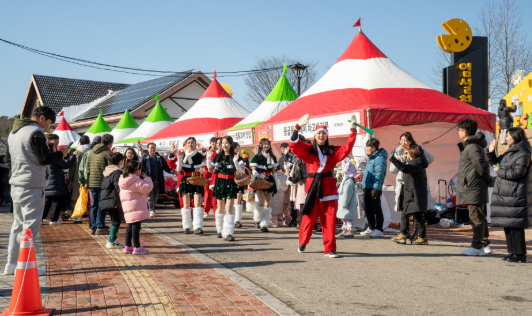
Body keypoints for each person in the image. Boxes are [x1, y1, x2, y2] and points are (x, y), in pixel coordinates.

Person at [4, 106, 68, 275]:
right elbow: (45, 159)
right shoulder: (35, 133)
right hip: (32, 185)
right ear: (41, 117)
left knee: (17, 226)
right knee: (30, 228)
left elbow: (9, 159)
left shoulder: (13, 132)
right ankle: (24, 266)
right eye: (48, 122)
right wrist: (61, 154)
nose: (48, 127)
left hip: (17, 184)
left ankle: (11, 264)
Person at [289, 114, 357, 258]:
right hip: (313, 188)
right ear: (315, 136)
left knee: (330, 220)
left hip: (329, 189)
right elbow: (294, 146)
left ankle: (330, 249)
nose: (321, 136)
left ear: (327, 136)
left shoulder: (332, 151)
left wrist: (353, 131)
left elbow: (346, 148)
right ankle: (303, 241)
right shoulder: (308, 150)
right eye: (319, 133)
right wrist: (297, 127)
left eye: (324, 134)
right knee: (308, 218)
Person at [487, 128, 531, 263]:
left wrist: (499, 171)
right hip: (506, 193)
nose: (506, 138)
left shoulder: (522, 153)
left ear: (515, 137)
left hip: (515, 193)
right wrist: (490, 151)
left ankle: (519, 254)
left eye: (508, 136)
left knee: (515, 225)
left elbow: (518, 173)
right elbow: (496, 163)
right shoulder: (511, 151)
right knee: (507, 223)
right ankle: (512, 252)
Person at [389, 132, 435, 243]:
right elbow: (397, 169)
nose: (403, 142)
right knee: (405, 211)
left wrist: (395, 160)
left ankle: (421, 236)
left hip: (415, 191)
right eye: (402, 140)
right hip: (407, 189)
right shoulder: (410, 158)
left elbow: (406, 168)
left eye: (406, 140)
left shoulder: (416, 161)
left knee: (417, 214)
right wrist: (397, 158)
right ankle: (404, 234)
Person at [456, 119, 492, 256]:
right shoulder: (473, 146)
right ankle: (484, 244)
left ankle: (477, 246)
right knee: (480, 217)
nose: (458, 133)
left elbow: (481, 166)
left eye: (459, 130)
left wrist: (488, 179)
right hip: (475, 185)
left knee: (476, 218)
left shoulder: (472, 147)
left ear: (465, 132)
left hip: (474, 186)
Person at [207, 136, 244, 241]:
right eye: (223, 143)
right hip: (220, 182)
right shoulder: (218, 156)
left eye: (227, 143)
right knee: (221, 208)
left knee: (228, 209)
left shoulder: (235, 156)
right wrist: (209, 157)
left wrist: (236, 162)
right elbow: (210, 170)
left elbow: (241, 172)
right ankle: (219, 229)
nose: (224, 145)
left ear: (231, 144)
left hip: (231, 183)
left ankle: (228, 233)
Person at [119, 159, 153, 255]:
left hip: (128, 208)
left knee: (130, 226)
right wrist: (147, 178)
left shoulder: (123, 179)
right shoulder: (137, 181)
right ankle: (137, 247)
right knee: (135, 228)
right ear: (137, 170)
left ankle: (128, 246)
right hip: (136, 207)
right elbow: (148, 188)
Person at [175, 137, 205, 235]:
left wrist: (200, 170)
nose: (190, 144)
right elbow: (179, 170)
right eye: (188, 143)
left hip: (196, 180)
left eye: (192, 142)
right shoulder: (182, 155)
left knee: (197, 204)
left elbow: (202, 169)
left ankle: (198, 227)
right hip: (185, 180)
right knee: (186, 204)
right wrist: (179, 160)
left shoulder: (199, 156)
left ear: (196, 144)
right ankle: (186, 226)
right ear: (186, 144)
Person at [42, 143, 78, 224]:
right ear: (51, 148)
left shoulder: (45, 156)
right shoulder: (55, 156)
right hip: (56, 183)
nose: (56, 148)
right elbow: (66, 165)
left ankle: (41, 219)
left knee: (47, 203)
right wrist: (73, 156)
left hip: (47, 182)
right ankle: (54, 220)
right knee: (58, 201)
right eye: (55, 146)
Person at [87, 134, 114, 235]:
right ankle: (100, 226)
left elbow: (88, 168)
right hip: (103, 182)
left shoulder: (92, 153)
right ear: (111, 143)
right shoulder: (108, 153)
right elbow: (110, 169)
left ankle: (93, 226)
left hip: (93, 182)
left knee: (94, 204)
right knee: (101, 205)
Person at [360, 138, 388, 238]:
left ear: (373, 147)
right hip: (367, 186)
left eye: (368, 146)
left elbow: (379, 174)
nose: (367, 149)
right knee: (367, 208)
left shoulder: (379, 158)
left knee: (376, 208)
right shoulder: (371, 158)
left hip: (374, 187)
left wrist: (376, 188)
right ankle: (371, 227)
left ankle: (379, 229)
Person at [251, 138, 279, 233]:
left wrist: (276, 183)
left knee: (268, 204)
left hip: (270, 181)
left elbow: (274, 172)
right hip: (260, 181)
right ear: (261, 145)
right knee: (261, 202)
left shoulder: (273, 157)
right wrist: (261, 176)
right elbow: (253, 171)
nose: (266, 146)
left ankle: (264, 224)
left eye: (268, 144)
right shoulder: (257, 156)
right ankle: (257, 219)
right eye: (264, 144)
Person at [141, 143, 176, 218]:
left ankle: (151, 208)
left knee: (156, 196)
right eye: (151, 148)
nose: (152, 149)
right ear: (148, 149)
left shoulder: (160, 158)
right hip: (148, 181)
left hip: (158, 181)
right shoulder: (145, 158)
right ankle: (151, 210)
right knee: (150, 196)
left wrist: (172, 171)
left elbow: (166, 167)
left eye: (153, 148)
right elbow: (142, 169)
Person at [101, 152, 126, 249]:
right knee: (116, 220)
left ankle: (112, 240)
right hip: (114, 199)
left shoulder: (107, 171)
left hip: (107, 199)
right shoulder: (117, 172)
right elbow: (118, 186)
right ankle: (111, 241)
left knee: (114, 220)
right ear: (120, 161)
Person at [69, 135, 90, 223]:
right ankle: (91, 218)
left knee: (77, 197)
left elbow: (72, 168)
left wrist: (70, 180)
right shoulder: (91, 152)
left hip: (77, 177)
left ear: (80, 142)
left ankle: (78, 217)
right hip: (89, 177)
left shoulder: (76, 153)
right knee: (89, 197)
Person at [337, 158, 357, 238]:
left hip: (347, 204)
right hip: (343, 204)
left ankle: (350, 231)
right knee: (344, 218)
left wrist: (345, 203)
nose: (341, 172)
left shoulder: (348, 182)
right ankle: (345, 229)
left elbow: (347, 194)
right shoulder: (345, 181)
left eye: (342, 170)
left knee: (348, 219)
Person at [233, 143, 249, 228]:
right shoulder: (227, 157)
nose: (237, 150)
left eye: (238, 148)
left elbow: (242, 171)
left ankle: (237, 220)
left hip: (239, 181)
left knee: (238, 200)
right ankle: (230, 218)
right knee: (230, 200)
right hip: (229, 181)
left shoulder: (241, 159)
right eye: (235, 148)